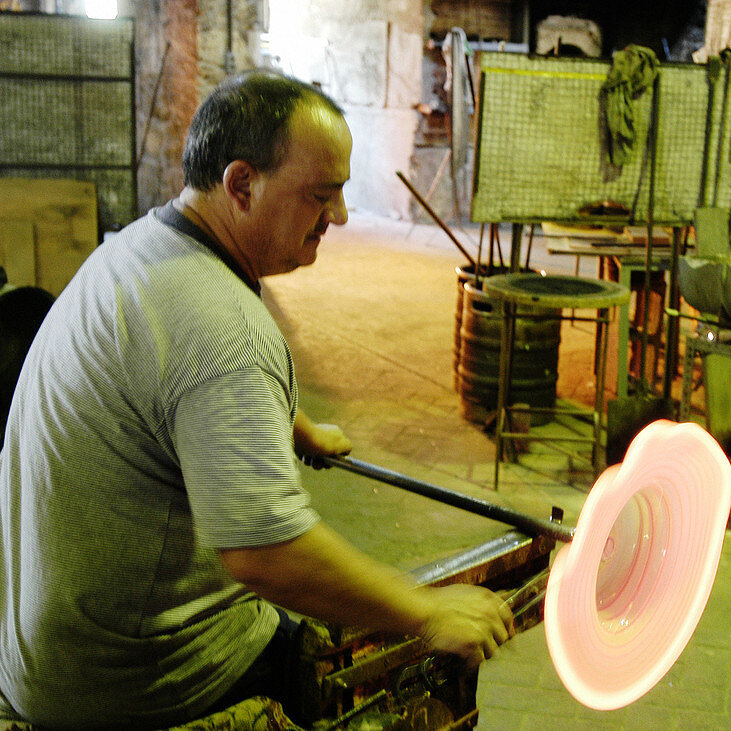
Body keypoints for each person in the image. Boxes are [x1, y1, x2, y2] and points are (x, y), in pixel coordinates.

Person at [0, 70, 513, 729]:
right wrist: (427, 608)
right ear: (241, 184)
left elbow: (171, 385)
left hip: (43, 651)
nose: (340, 217)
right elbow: (265, 554)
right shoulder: (224, 329)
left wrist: (291, 425)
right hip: (123, 684)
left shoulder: (137, 248)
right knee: (374, 660)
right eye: (319, 196)